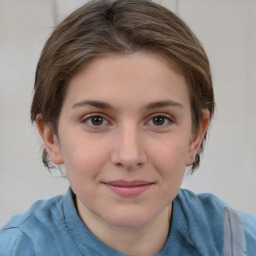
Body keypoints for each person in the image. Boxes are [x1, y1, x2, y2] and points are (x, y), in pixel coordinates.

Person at [0, 0, 255, 255]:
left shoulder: (240, 243)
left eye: (159, 120)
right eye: (96, 120)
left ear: (195, 136)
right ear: (51, 137)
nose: (129, 155)